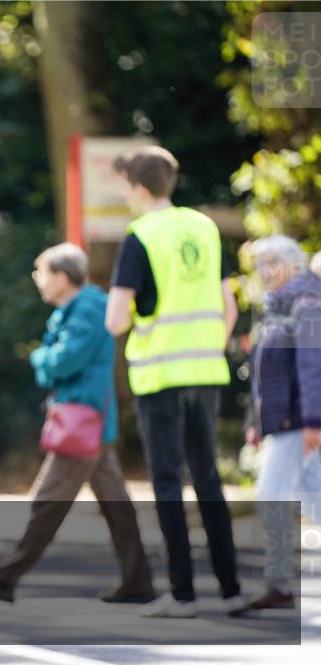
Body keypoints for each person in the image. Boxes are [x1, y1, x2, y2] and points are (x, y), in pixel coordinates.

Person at [0, 243, 154, 604]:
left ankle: (5, 577)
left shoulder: (86, 309)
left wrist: (40, 358)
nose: (38, 281)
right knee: (117, 506)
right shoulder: (84, 307)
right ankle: (138, 580)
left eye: (42, 273)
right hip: (92, 421)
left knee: (48, 502)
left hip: (82, 421)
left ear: (62, 277)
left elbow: (65, 360)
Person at [105, 146, 248, 619]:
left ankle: (183, 595)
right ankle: (232, 590)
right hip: (205, 370)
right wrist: (207, 343)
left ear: (140, 188)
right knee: (208, 478)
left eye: (126, 186)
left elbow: (115, 319)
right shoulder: (205, 228)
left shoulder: (140, 234)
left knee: (167, 481)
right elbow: (229, 307)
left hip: (161, 373)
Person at [246, 235, 321, 609]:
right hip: (287, 422)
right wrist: (255, 422)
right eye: (260, 264)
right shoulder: (278, 306)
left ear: (294, 265)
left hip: (298, 422)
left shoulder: (305, 304)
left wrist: (313, 421)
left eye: (271, 262)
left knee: (272, 497)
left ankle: (280, 584)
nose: (264, 271)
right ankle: (281, 585)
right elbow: (263, 372)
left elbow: (312, 367)